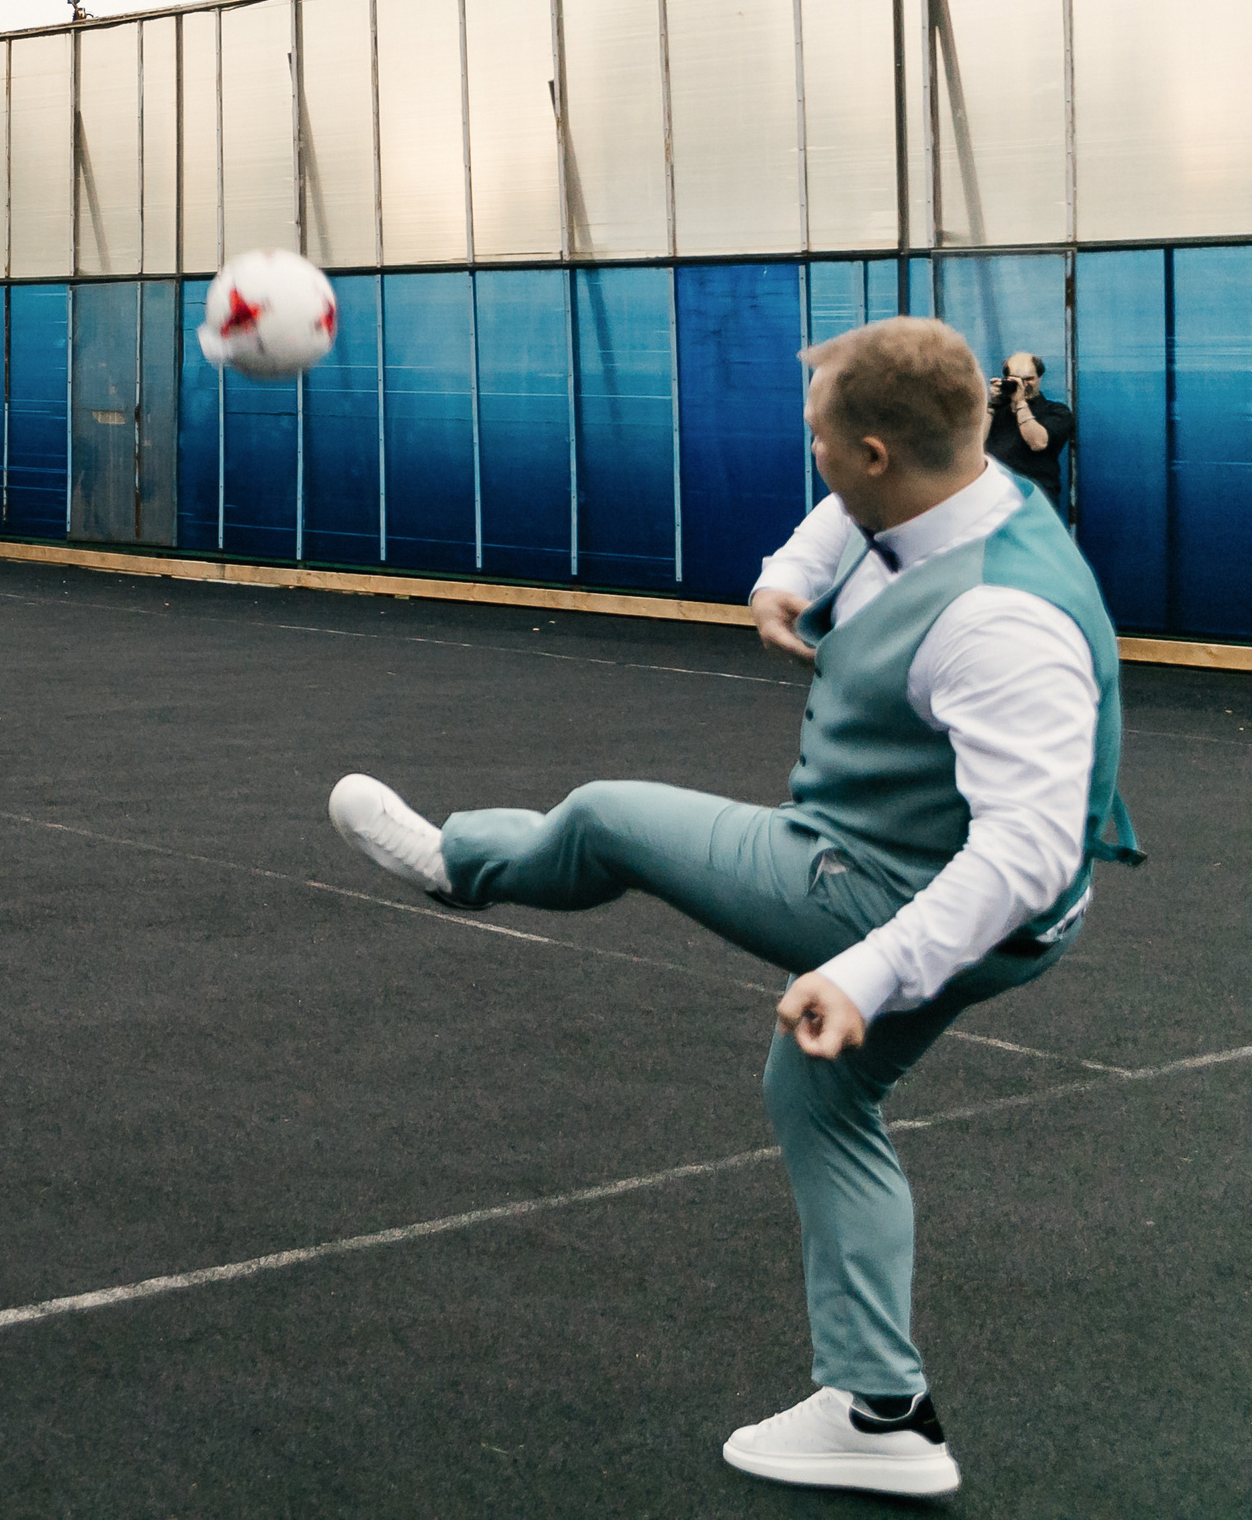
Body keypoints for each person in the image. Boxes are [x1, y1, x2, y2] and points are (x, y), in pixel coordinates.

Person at [325, 317, 1140, 1501]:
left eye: (818, 441)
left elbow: (1023, 848)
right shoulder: (955, 487)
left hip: (894, 889)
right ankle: (880, 1413)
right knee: (817, 1087)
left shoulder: (1000, 622)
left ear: (869, 450)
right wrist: (786, 578)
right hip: (960, 894)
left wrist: (863, 974)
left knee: (607, 815)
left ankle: (460, 865)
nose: (809, 457)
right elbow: (852, 522)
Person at [984, 351, 1075, 510]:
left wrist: (1019, 402)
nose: (1024, 385)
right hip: (994, 497)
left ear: (1040, 378)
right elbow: (973, 445)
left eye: (1029, 379)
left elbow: (1038, 443)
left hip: (1035, 499)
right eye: (1016, 380)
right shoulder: (994, 411)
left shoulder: (1056, 411)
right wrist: (992, 405)